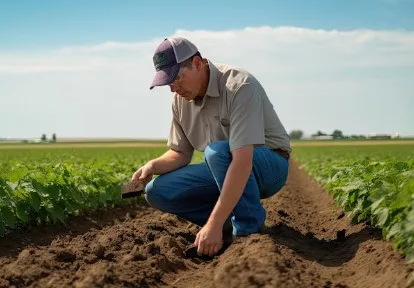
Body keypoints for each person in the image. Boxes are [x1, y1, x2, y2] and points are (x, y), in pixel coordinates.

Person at [131, 36, 291, 257]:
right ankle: (226, 225)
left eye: (176, 78)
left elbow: (242, 161)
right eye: (168, 82)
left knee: (216, 152)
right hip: (223, 166)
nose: (173, 88)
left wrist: (211, 223)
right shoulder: (180, 100)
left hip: (269, 164)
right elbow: (180, 153)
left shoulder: (239, 86)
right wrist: (152, 166)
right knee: (157, 191)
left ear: (197, 63)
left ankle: (247, 231)